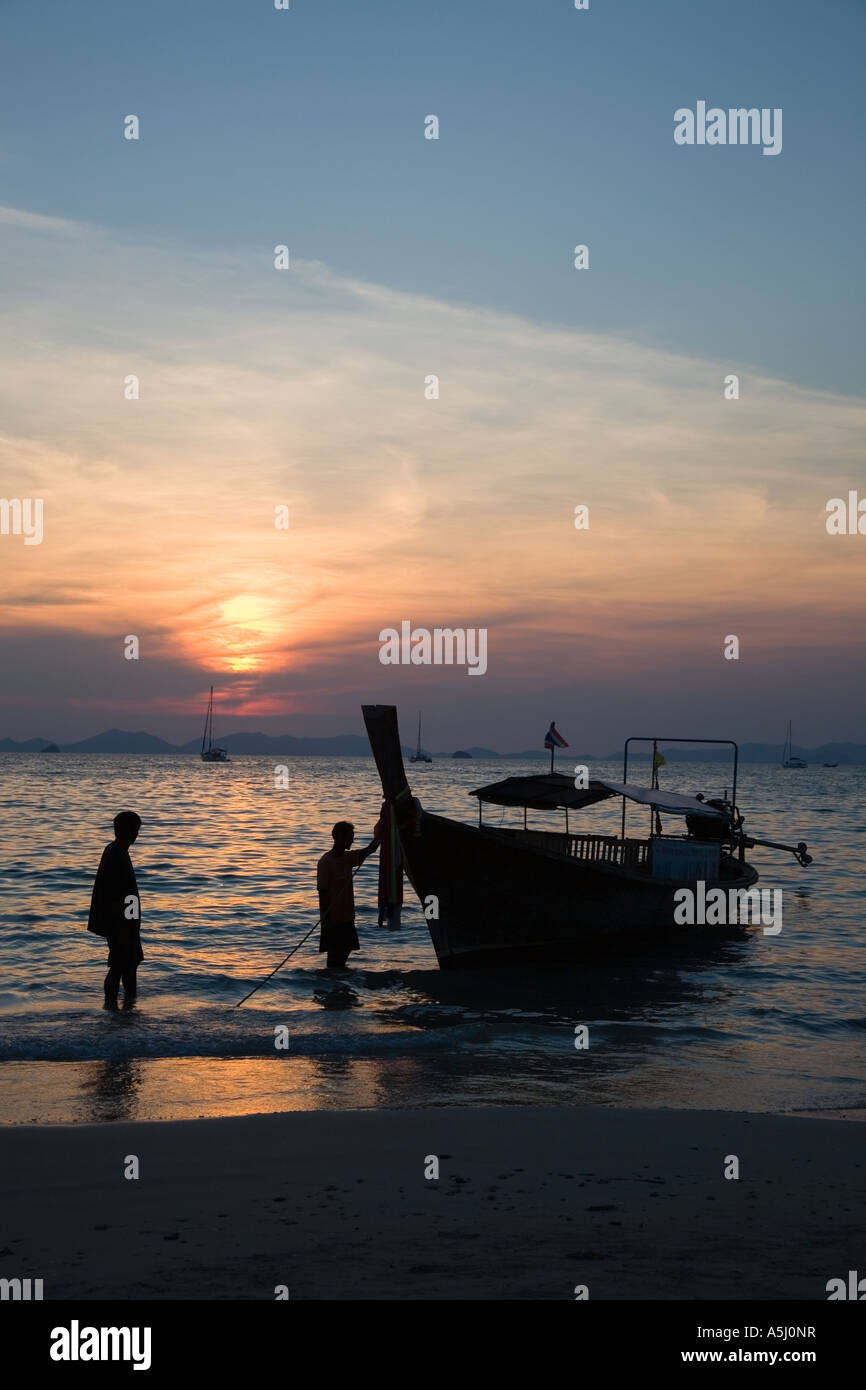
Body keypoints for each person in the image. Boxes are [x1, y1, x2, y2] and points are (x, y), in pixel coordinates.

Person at [88, 811, 143, 1007]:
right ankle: (112, 1007)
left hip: (124, 921)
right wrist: (127, 924)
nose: (137, 833)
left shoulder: (115, 850)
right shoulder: (116, 854)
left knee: (129, 964)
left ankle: (128, 1006)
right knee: (120, 965)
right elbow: (117, 895)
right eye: (136, 829)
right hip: (121, 922)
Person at [317, 821, 378, 968]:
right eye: (350, 837)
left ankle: (339, 986)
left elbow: (370, 849)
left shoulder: (348, 858)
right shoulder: (326, 862)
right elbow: (323, 893)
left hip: (347, 918)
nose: (352, 840)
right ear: (339, 837)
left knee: (342, 957)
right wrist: (327, 921)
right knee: (333, 960)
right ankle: (333, 986)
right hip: (333, 920)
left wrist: (383, 830)